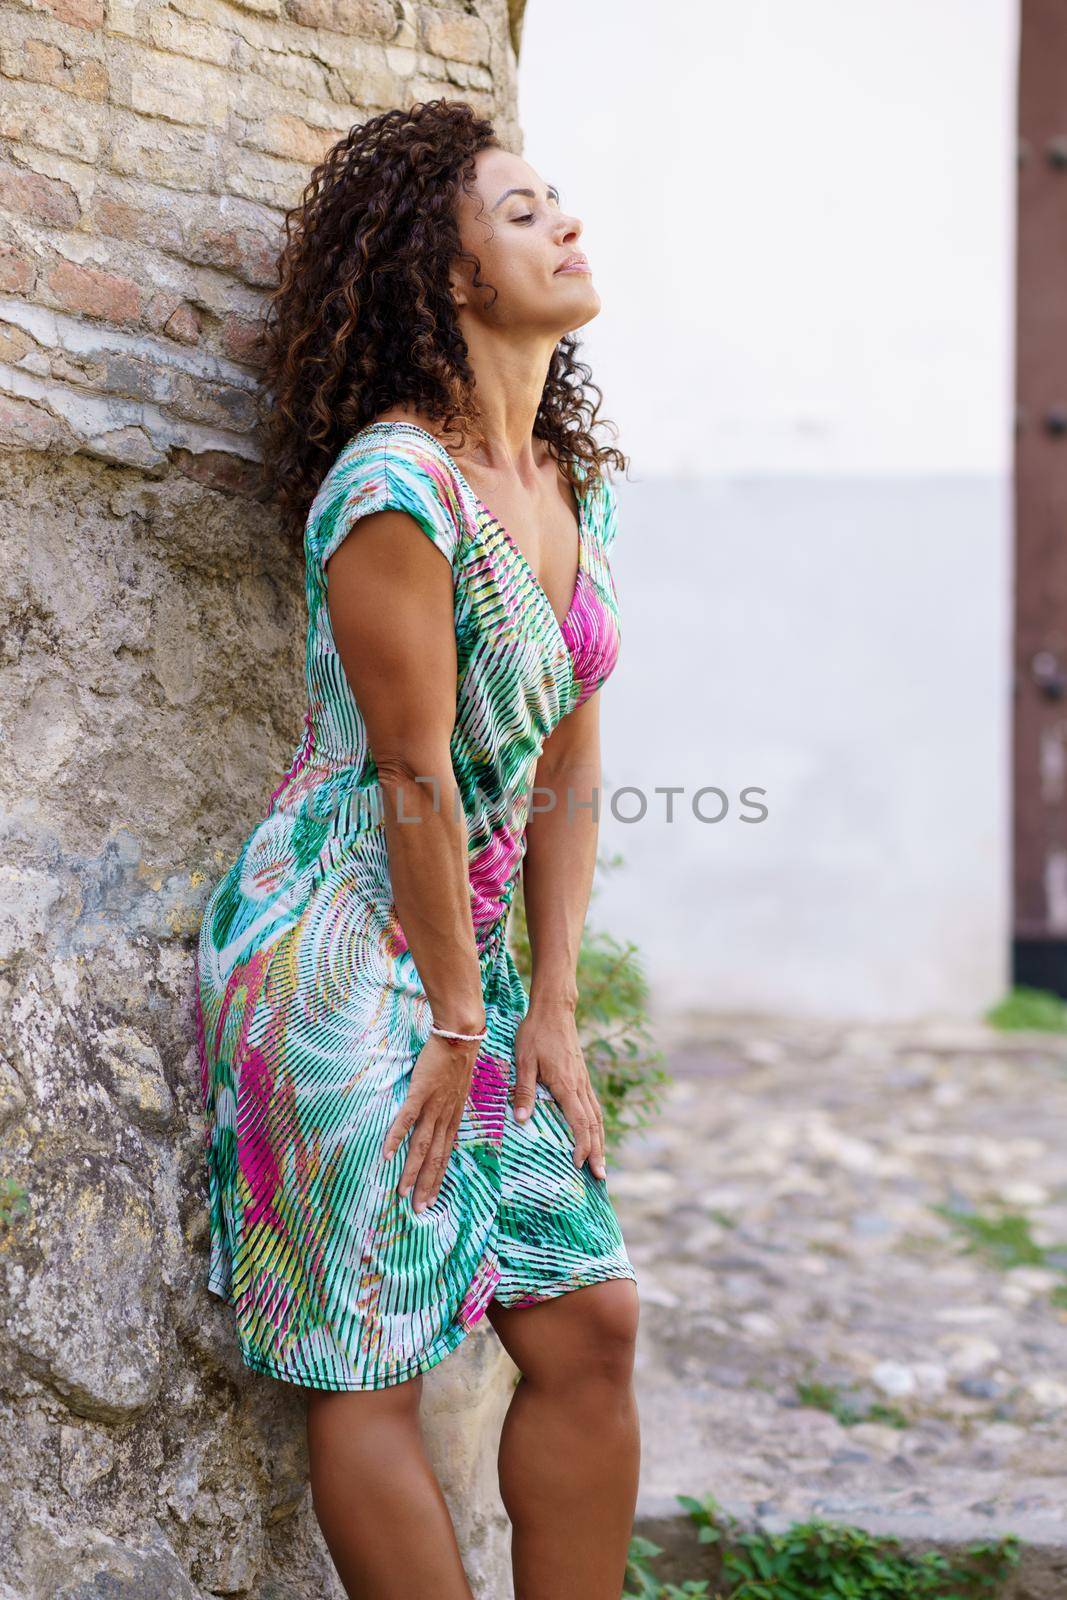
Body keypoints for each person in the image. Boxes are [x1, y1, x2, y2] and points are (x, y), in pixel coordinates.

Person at [193, 97, 641, 1599]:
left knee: (587, 1323)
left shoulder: (571, 490)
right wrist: (458, 1011)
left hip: (474, 962)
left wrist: (549, 1009)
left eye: (556, 199)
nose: (566, 222)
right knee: (369, 1366)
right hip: (342, 948)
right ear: (446, 278)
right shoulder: (394, 490)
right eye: (523, 213)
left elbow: (570, 758)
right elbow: (410, 777)